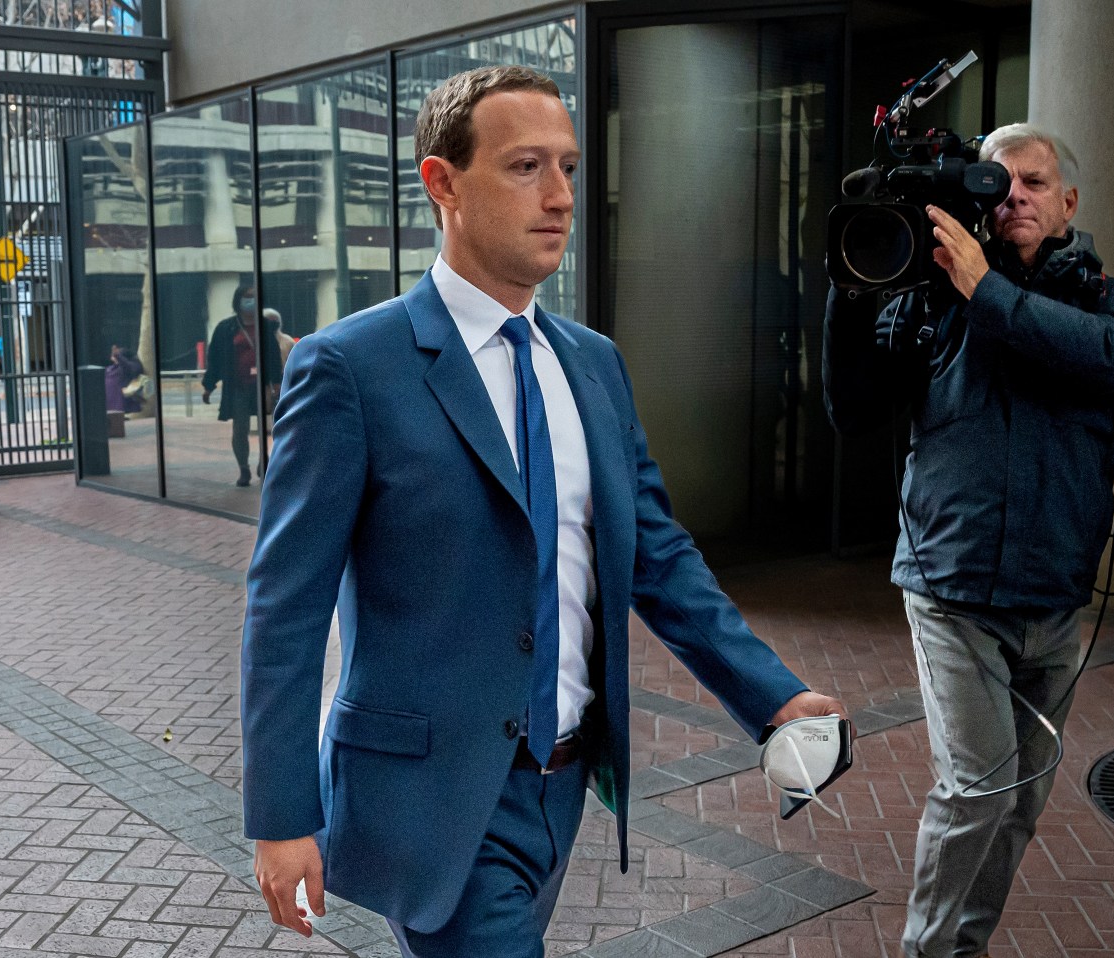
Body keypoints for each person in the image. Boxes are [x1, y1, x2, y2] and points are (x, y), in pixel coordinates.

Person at [241, 65, 847, 958]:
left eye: (567, 167)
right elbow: (284, 607)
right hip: (437, 795)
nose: (560, 195)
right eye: (526, 167)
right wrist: (282, 814)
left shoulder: (593, 363)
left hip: (562, 787)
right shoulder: (351, 368)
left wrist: (775, 696)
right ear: (443, 183)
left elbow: (657, 557)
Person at [822, 124, 1114, 958]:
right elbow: (853, 409)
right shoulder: (934, 301)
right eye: (998, 184)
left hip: (1056, 599)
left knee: (1020, 801)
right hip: (952, 589)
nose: (1014, 198)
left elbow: (1112, 360)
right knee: (978, 787)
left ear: (1068, 201)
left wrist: (984, 289)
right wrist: (854, 280)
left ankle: (961, 947)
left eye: (1034, 183)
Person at [202, 285, 282, 486]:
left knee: (266, 428)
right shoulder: (226, 328)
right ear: (238, 300)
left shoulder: (265, 326)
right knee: (240, 429)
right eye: (247, 297)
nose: (250, 301)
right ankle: (244, 468)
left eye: (254, 297)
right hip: (237, 387)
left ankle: (263, 462)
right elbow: (215, 359)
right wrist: (208, 385)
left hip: (261, 387)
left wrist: (277, 383)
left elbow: (273, 356)